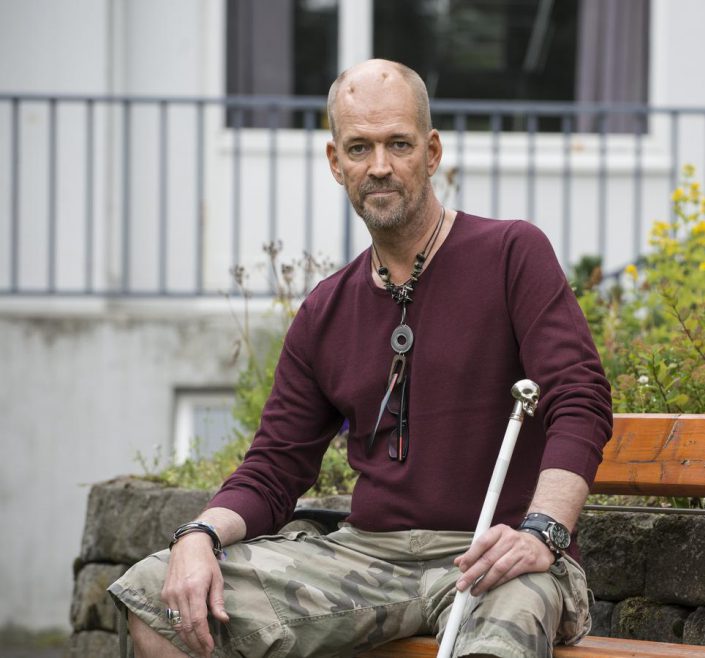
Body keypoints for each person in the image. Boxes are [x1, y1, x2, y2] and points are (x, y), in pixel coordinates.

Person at [109, 59, 612, 658]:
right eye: (359, 147)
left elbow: (580, 398)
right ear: (335, 162)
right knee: (157, 596)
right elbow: (274, 469)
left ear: (431, 152)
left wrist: (542, 532)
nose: (379, 166)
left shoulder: (510, 253)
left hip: (496, 553)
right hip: (368, 558)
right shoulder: (325, 310)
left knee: (501, 636)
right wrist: (198, 535)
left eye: (398, 144)